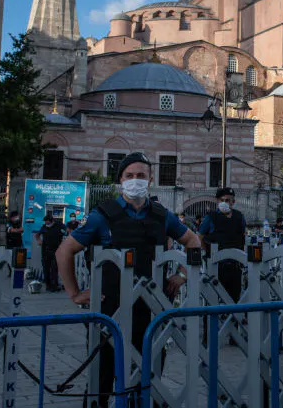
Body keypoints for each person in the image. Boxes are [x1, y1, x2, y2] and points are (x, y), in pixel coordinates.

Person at [55, 152, 201, 408]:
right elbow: (64, 251)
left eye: (141, 176)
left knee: (147, 375)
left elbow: (193, 241)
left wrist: (182, 275)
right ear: (120, 180)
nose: (136, 181)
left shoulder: (161, 215)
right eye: (130, 176)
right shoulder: (102, 215)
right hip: (110, 310)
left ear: (150, 178)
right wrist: (75, 293)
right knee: (101, 376)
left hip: (151, 309)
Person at [198, 187, 247, 303]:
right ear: (217, 201)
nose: (225, 203)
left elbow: (242, 236)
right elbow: (199, 237)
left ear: (233, 202)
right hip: (216, 266)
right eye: (222, 200)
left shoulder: (240, 217)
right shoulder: (211, 217)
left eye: (228, 200)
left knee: (234, 299)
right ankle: (209, 321)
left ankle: (232, 320)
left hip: (235, 266)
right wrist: (208, 252)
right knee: (213, 299)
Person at [35, 215, 65, 292]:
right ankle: (48, 285)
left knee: (54, 268)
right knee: (46, 269)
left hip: (56, 250)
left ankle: (54, 286)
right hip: (45, 251)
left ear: (51, 221)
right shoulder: (44, 227)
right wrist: (39, 241)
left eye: (47, 221)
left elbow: (66, 230)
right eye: (45, 222)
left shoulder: (58, 225)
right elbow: (37, 234)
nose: (46, 223)